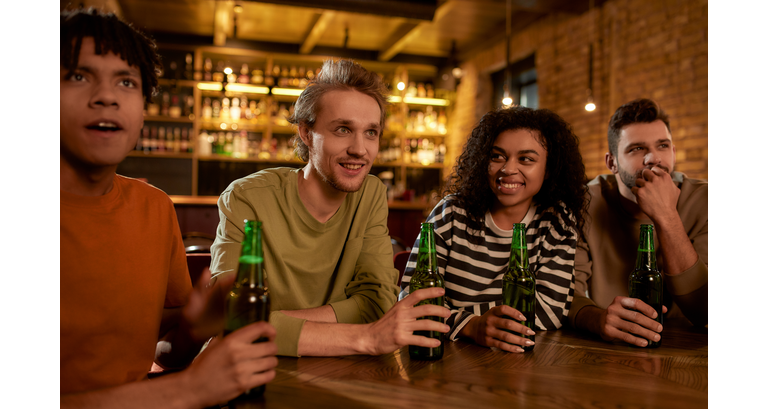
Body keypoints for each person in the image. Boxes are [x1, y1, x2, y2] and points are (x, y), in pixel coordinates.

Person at [60, 9, 277, 409]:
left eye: (127, 82)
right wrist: (187, 390)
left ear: (143, 109)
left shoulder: (155, 207)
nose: (108, 96)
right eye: (78, 76)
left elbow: (165, 355)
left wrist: (194, 330)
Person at [209, 59, 450, 357]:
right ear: (306, 133)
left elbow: (378, 303)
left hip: (338, 371)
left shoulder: (371, 194)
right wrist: (366, 337)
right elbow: (228, 316)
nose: (360, 149)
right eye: (342, 130)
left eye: (371, 132)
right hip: (249, 373)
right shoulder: (247, 197)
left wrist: (267, 323)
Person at [400, 106, 589, 353]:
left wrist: (455, 313)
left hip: (522, 360)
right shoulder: (452, 213)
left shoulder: (556, 221)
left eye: (526, 159)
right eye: (497, 156)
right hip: (442, 356)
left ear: (549, 168)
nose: (508, 169)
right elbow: (410, 298)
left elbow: (551, 311)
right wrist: (471, 326)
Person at [571, 98, 708, 347]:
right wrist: (598, 319)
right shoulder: (584, 204)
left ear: (674, 152)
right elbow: (567, 293)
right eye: (636, 149)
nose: (653, 158)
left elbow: (705, 311)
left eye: (663, 146)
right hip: (609, 350)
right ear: (611, 162)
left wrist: (666, 215)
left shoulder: (705, 201)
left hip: (690, 350)